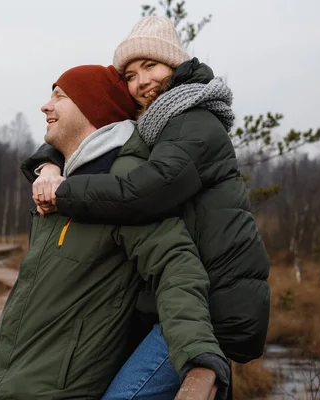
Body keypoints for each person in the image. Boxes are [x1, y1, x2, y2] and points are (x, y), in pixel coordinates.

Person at [23, 15, 271, 398]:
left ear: (175, 65)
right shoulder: (156, 124)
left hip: (211, 307)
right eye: (132, 75)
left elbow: (147, 191)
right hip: (182, 304)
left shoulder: (194, 121)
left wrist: (64, 194)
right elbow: (90, 122)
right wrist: (49, 164)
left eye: (151, 66)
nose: (142, 82)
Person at [0, 64, 229, 400]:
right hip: (10, 386)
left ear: (92, 106)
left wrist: (196, 348)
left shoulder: (121, 182)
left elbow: (176, 265)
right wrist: (9, 332)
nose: (45, 105)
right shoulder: (61, 183)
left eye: (59, 96)